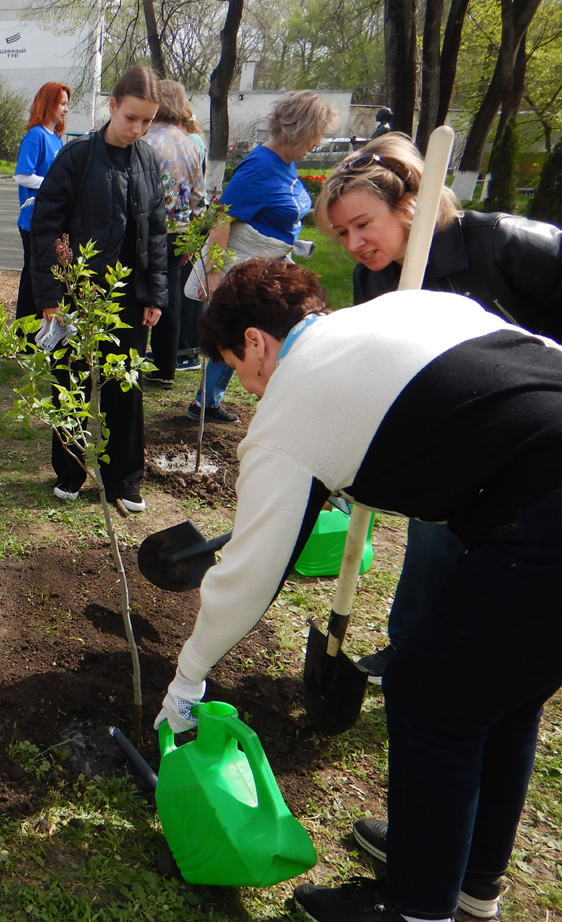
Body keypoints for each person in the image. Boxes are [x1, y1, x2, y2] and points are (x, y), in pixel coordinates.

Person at [157, 256, 562, 922]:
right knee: (498, 699)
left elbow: (251, 571)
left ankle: (414, 911)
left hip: (543, 516)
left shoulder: (292, 401)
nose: (249, 388)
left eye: (239, 368)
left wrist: (188, 679)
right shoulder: (405, 310)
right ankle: (467, 880)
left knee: (429, 702)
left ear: (255, 343)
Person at [316, 130, 562, 683]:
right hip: (461, 427)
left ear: (408, 206)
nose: (354, 243)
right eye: (342, 232)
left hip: (538, 423)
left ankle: (494, 661)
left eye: (363, 224)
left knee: (517, 550)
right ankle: (410, 647)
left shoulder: (498, 241)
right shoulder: (374, 278)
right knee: (434, 530)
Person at [29, 66, 168, 514]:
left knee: (126, 387)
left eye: (146, 121)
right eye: (131, 118)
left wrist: (154, 295)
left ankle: (123, 480)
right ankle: (69, 470)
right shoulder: (76, 158)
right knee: (70, 380)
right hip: (76, 294)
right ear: (112, 106)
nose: (137, 129)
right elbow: (46, 227)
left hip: (128, 299)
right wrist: (51, 299)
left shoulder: (148, 160)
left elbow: (157, 232)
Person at [185, 90, 336, 424]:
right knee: (239, 335)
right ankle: (204, 404)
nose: (318, 142)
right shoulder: (260, 166)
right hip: (246, 266)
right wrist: (214, 274)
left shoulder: (287, 163)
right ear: (300, 129)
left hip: (272, 265)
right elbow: (222, 218)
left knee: (252, 333)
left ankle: (210, 402)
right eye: (317, 134)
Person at [140, 79, 205, 388]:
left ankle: (132, 360)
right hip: (179, 233)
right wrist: (193, 236)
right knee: (171, 300)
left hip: (149, 232)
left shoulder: (147, 140)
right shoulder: (189, 143)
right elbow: (199, 196)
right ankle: (166, 367)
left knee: (140, 293)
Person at [13, 81, 71, 322]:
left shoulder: (56, 138)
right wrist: (51, 185)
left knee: (44, 276)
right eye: (62, 103)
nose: (66, 109)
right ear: (49, 103)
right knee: (33, 277)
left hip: (50, 220)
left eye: (68, 104)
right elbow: (21, 175)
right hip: (32, 221)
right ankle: (23, 332)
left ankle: (37, 330)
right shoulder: (36, 136)